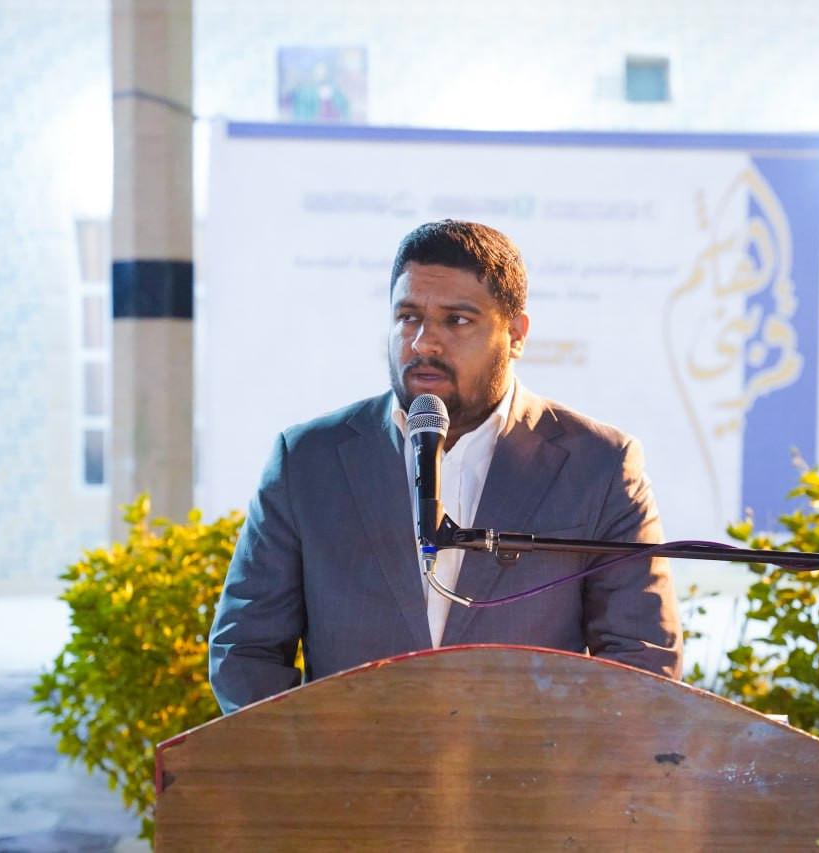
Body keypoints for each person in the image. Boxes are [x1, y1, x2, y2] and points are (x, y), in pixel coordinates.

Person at [209, 220, 682, 713]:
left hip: (533, 763)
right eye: (408, 317)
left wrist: (555, 760)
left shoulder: (599, 466)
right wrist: (310, 755)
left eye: (456, 320)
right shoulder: (308, 460)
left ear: (516, 335)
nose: (423, 343)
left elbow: (642, 659)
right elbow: (246, 651)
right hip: (347, 763)